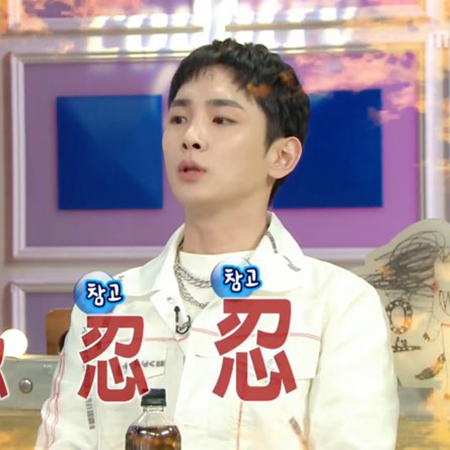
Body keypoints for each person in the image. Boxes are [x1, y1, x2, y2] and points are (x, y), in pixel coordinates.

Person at [35, 38, 399, 449]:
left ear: (282, 156)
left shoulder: (339, 305)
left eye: (221, 119)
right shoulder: (107, 307)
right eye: (178, 118)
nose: (191, 136)